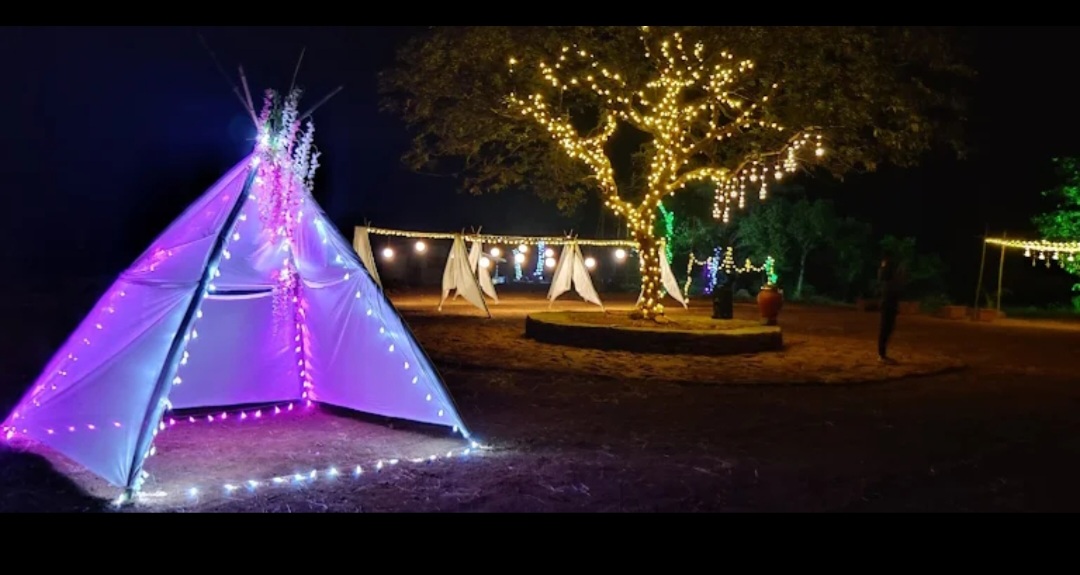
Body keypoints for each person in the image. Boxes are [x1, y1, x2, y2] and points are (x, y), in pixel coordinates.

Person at [877, 251, 906, 364]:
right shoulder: (888, 279)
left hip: (890, 303)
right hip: (888, 303)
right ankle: (882, 355)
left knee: (888, 328)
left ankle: (882, 354)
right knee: (885, 329)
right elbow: (883, 275)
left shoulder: (890, 280)